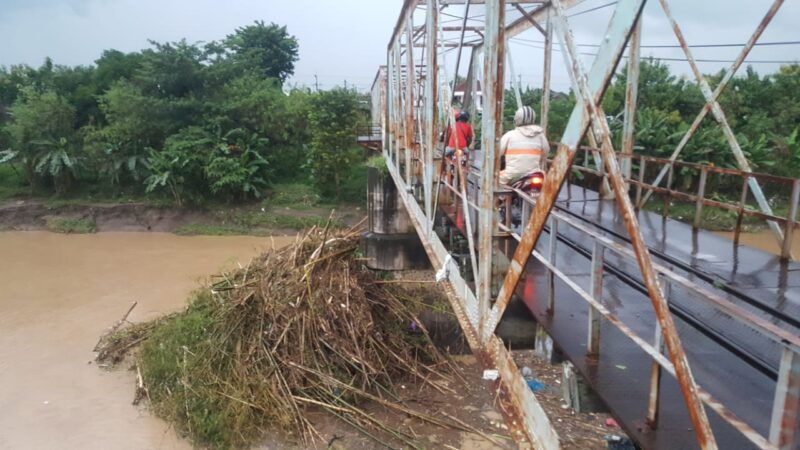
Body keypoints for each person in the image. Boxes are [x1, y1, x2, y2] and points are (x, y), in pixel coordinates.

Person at [498, 106, 550, 186]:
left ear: (517, 119)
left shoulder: (510, 135)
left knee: (494, 180)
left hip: (512, 175)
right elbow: (545, 153)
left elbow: (497, 153)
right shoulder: (540, 135)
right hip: (534, 174)